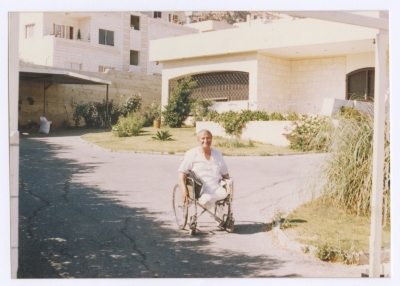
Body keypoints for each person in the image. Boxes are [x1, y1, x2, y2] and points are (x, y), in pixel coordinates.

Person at [178, 129, 230, 209]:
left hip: (216, 188)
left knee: (224, 194)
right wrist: (184, 189)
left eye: (208, 138)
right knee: (207, 200)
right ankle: (214, 207)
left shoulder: (217, 154)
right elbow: (182, 172)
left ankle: (216, 209)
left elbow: (225, 173)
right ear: (198, 140)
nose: (206, 140)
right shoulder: (192, 153)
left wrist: (228, 183)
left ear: (211, 140)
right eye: (203, 138)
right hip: (200, 190)